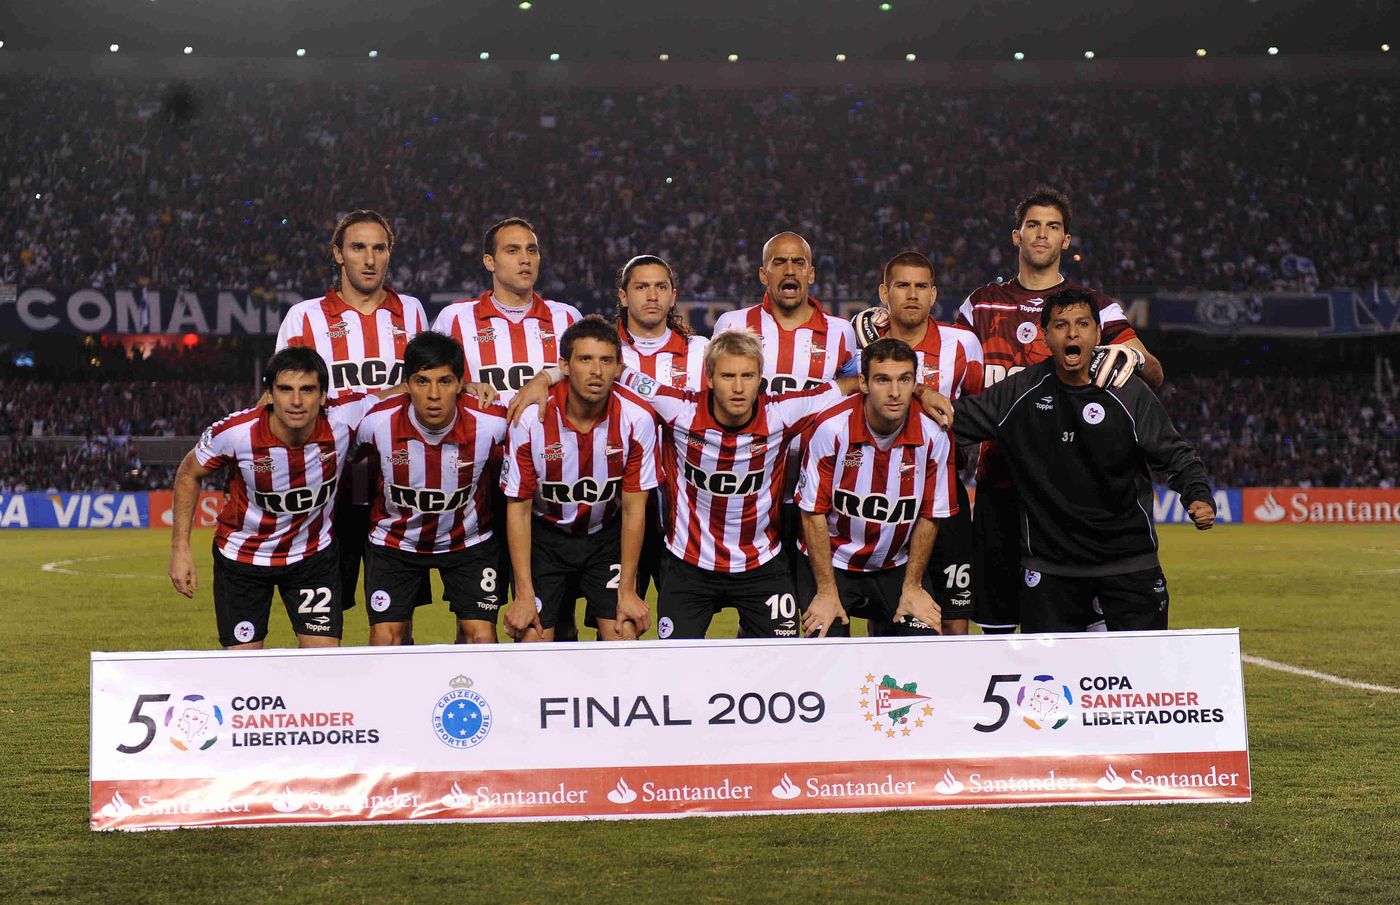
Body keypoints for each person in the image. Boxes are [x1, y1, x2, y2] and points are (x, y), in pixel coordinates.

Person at [859, 187, 1164, 634]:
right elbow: (937, 354)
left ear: (1066, 241)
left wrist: (1136, 358)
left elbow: (1153, 372)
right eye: (1033, 225)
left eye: (1053, 227)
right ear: (1016, 237)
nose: (1042, 234)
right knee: (997, 614)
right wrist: (883, 326)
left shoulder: (1091, 306)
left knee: (1081, 616)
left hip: (1075, 491)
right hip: (1000, 481)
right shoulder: (981, 305)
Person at [936, 289, 1214, 633]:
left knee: (1142, 677)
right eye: (1061, 325)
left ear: (1097, 334)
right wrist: (913, 394)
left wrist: (1197, 493)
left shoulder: (1127, 390)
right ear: (1045, 335)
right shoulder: (1020, 392)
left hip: (1128, 563)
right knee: (1049, 683)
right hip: (1052, 570)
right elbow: (952, 419)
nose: (1072, 333)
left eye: (1082, 324)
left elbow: (1174, 452)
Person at [433, 217, 585, 639]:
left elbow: (588, 376)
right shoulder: (456, 319)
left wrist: (548, 376)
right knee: (475, 619)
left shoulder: (564, 316)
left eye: (531, 250)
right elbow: (430, 382)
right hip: (477, 485)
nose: (525, 259)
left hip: (545, 487)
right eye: (512, 250)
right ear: (489, 261)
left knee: (555, 614)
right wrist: (463, 383)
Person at [167, 347, 378, 649]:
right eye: (285, 389)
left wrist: (464, 389)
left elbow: (402, 395)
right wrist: (180, 549)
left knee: (324, 663)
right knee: (244, 668)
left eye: (307, 390)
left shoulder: (344, 417)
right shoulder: (237, 432)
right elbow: (189, 473)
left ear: (323, 396)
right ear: (269, 394)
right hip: (242, 560)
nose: (295, 401)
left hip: (312, 557)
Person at [275, 210, 429, 620]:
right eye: (358, 247)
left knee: (397, 623)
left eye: (379, 248)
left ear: (389, 254)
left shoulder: (412, 312)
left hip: (396, 492)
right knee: (323, 622)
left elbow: (427, 388)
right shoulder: (304, 316)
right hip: (329, 494)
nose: (369, 258)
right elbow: (282, 400)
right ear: (338, 254)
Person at [501, 317, 659, 642]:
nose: (596, 371)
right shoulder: (530, 419)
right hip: (545, 538)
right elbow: (518, 509)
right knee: (531, 637)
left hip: (605, 538)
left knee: (624, 633)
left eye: (605, 361)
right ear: (565, 366)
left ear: (618, 368)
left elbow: (633, 510)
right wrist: (523, 595)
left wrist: (627, 591)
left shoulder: (636, 418)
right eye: (585, 359)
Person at [850, 251, 983, 635]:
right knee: (886, 611)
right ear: (884, 293)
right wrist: (922, 394)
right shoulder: (862, 348)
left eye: (921, 286)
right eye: (902, 285)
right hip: (881, 495)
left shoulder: (962, 345)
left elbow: (978, 413)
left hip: (945, 493)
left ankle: (958, 693)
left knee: (956, 613)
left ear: (933, 294)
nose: (912, 294)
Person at [354, 332, 510, 646]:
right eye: (422, 381)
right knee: (386, 641)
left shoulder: (493, 423)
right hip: (395, 543)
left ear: (461, 384)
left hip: (469, 542)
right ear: (407, 385)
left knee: (482, 640)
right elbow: (352, 470)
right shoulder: (375, 422)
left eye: (445, 381)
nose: (434, 395)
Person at [795, 338, 954, 638]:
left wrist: (912, 586)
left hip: (895, 565)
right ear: (864, 384)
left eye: (904, 380)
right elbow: (812, 515)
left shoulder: (934, 435)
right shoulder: (832, 428)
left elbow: (930, 515)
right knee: (821, 650)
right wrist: (827, 592)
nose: (894, 393)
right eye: (882, 380)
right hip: (831, 563)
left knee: (923, 648)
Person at [614, 254, 708, 598]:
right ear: (623, 296)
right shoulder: (604, 355)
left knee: (681, 627)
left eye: (660, 287)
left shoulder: (702, 352)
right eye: (641, 287)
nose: (652, 296)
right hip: (618, 505)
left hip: (684, 507)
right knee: (617, 624)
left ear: (673, 295)